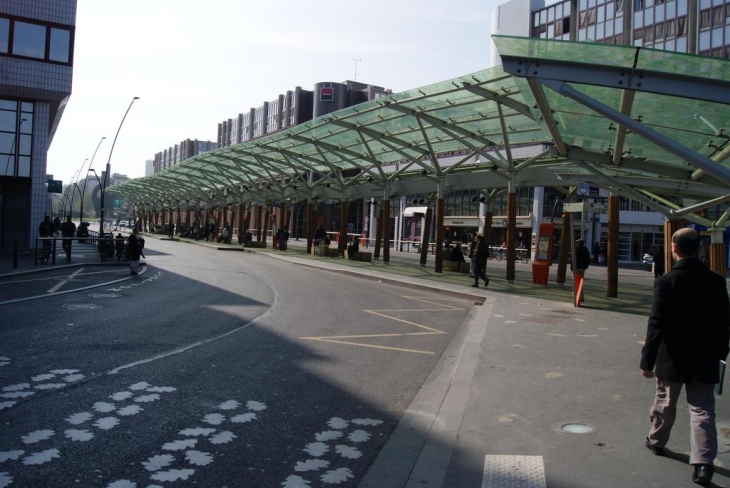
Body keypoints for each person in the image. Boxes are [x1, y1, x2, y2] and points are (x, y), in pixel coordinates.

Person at [641, 228, 730, 486]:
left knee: (666, 402)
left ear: (674, 248)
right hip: (705, 357)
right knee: (702, 410)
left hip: (672, 357)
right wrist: (720, 353)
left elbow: (656, 323)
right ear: (699, 249)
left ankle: (656, 441)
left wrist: (647, 360)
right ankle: (702, 464)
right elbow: (724, 323)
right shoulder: (716, 281)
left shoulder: (666, 281)